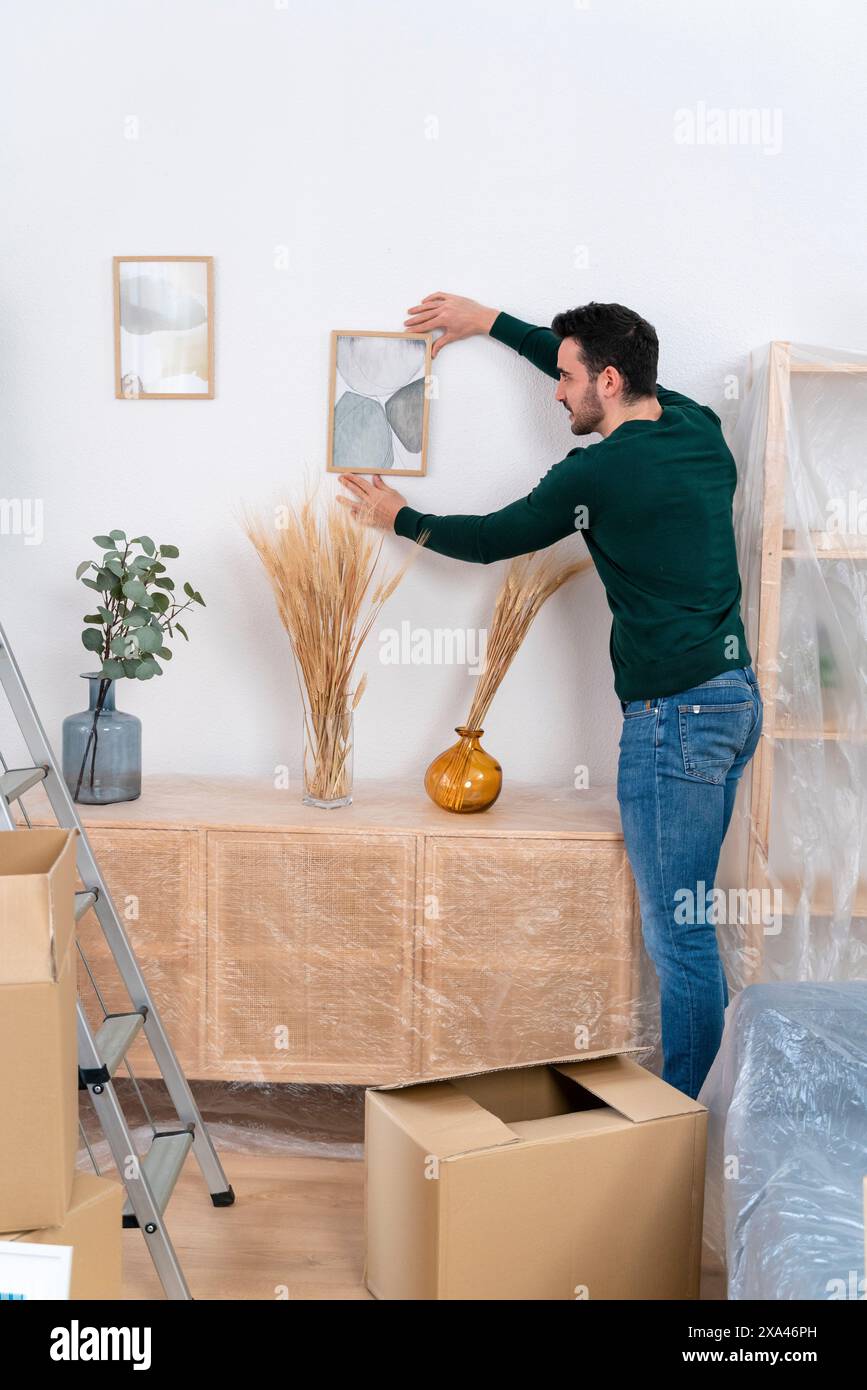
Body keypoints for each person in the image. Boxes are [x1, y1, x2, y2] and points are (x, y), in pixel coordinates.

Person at [338, 291, 763, 1099]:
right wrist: (490, 323)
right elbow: (604, 372)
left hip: (675, 720)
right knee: (691, 925)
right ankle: (703, 1113)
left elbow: (493, 538)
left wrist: (400, 517)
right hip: (734, 702)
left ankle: (684, 1130)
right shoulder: (696, 428)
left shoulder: (596, 473)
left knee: (681, 938)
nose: (554, 390)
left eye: (566, 378)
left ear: (606, 381)